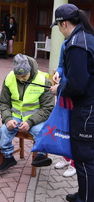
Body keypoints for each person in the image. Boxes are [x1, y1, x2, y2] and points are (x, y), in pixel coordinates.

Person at [50, 3, 94, 202]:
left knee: (84, 158)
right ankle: (84, 196)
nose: (59, 30)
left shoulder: (77, 44)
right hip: (89, 107)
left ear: (64, 23)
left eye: (58, 26)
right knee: (87, 158)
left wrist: (59, 88)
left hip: (87, 110)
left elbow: (77, 85)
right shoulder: (86, 37)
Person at [0, 53, 54, 172]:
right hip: (15, 117)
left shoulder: (43, 80)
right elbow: (4, 103)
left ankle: (40, 156)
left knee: (42, 132)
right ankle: (8, 157)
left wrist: (30, 122)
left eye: (24, 76)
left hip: (36, 118)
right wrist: (8, 119)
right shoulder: (9, 78)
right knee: (3, 131)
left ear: (30, 70)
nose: (21, 79)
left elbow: (47, 108)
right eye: (18, 76)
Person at [53, 40, 76, 178]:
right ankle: (66, 157)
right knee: (63, 124)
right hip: (63, 91)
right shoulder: (65, 43)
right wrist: (58, 73)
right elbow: (61, 65)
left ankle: (74, 162)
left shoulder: (84, 42)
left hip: (74, 92)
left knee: (74, 126)